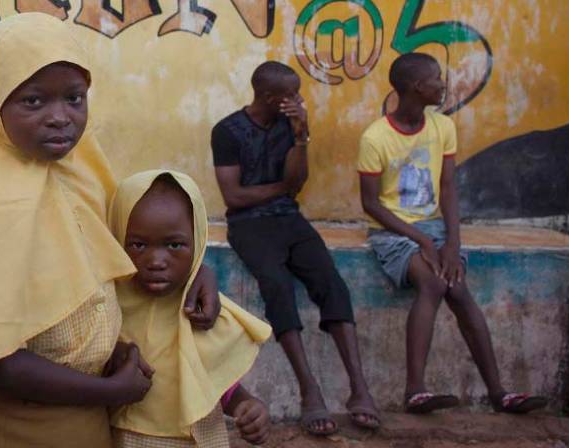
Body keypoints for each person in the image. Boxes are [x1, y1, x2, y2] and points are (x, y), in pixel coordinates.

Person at [0, 12, 221, 448]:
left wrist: (199, 270)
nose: (60, 117)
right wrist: (112, 392)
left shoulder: (87, 175)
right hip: (17, 426)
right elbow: (0, 364)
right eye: (33, 101)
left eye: (74, 98)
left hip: (88, 419)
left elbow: (137, 245)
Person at [358, 51, 548, 415]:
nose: (443, 85)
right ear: (417, 86)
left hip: (434, 227)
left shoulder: (443, 127)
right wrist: (424, 241)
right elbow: (371, 205)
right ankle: (415, 390)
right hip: (392, 228)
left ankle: (499, 393)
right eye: (436, 79)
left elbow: (448, 188)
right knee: (432, 284)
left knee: (457, 287)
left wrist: (451, 242)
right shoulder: (375, 137)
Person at [211, 61, 379, 435]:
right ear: (270, 98)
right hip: (248, 225)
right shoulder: (227, 131)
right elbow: (235, 196)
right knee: (277, 286)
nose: (298, 101)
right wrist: (279, 189)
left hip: (289, 218)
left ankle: (360, 389)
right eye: (291, 95)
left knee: (331, 283)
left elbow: (296, 182)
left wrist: (301, 135)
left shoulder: (292, 126)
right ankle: (309, 391)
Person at [108, 170, 271, 447]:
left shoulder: (201, 310)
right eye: (138, 244)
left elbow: (214, 380)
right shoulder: (107, 309)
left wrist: (246, 405)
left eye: (174, 245)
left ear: (198, 242)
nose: (156, 260)